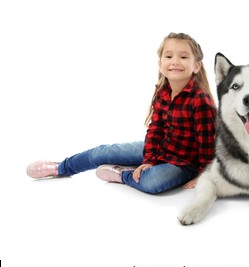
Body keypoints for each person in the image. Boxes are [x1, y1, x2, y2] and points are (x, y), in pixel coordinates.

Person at [26, 32, 217, 194]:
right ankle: (61, 167)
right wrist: (149, 159)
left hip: (184, 162)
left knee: (153, 182)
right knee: (105, 152)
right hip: (159, 149)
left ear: (196, 65)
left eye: (183, 57)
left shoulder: (200, 100)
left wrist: (204, 174)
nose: (175, 62)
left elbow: (208, 143)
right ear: (160, 63)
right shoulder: (163, 92)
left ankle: (122, 174)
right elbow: (155, 130)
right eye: (169, 56)